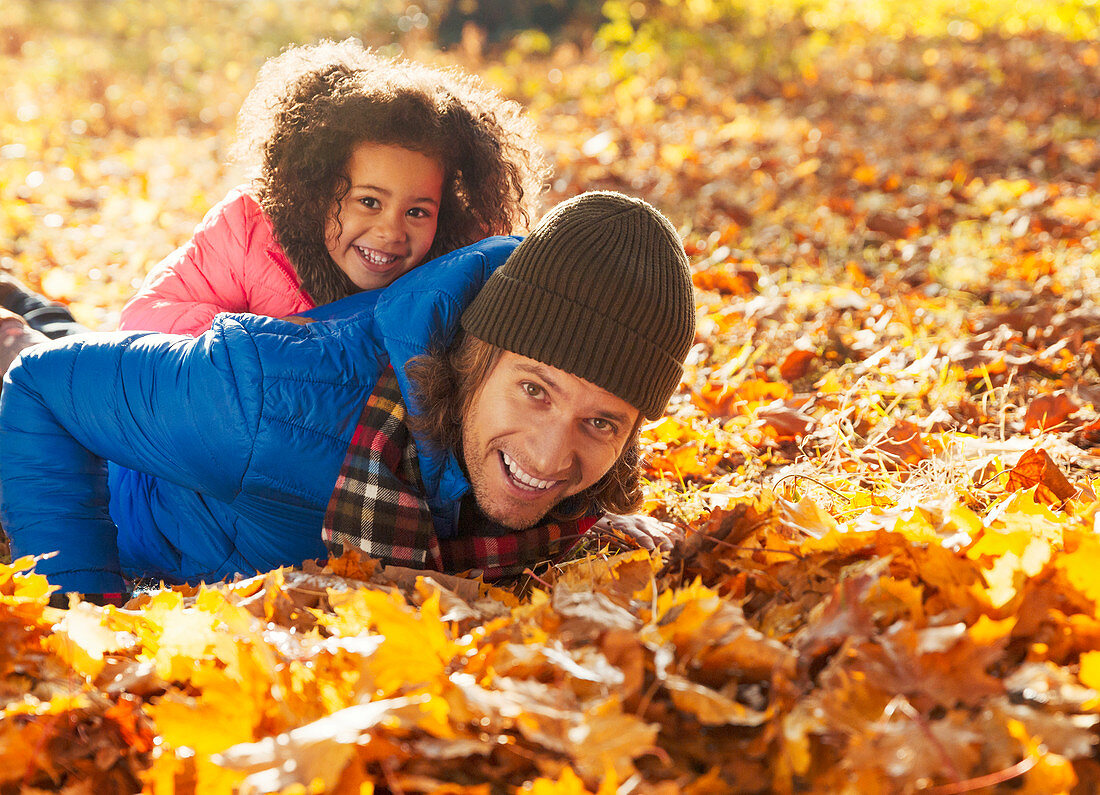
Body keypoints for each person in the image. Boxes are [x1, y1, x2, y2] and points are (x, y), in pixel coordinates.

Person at [0, 192, 695, 603]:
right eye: (535, 391)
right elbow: (41, 392)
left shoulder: (540, 459)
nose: (551, 455)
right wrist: (84, 612)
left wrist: (598, 534)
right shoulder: (271, 406)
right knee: (25, 353)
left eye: (600, 423)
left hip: (150, 412)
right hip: (81, 458)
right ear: (478, 356)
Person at [115, 37, 546, 335]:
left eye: (418, 211)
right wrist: (272, 334)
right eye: (369, 201)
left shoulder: (453, 271)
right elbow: (143, 318)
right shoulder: (249, 231)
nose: (391, 232)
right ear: (318, 189)